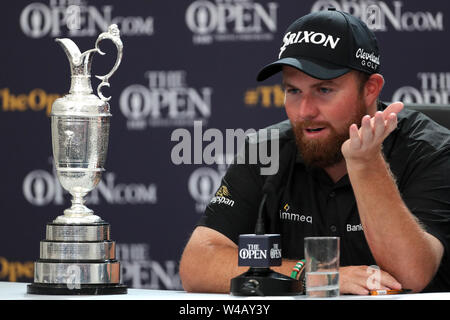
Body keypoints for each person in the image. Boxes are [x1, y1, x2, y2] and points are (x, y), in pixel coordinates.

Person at [179, 8, 450, 295]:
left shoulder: (431, 150)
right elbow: (197, 264)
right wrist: (314, 274)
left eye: (324, 90)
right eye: (293, 91)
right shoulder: (266, 150)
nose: (305, 111)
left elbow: (412, 275)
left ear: (370, 89)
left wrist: (366, 162)